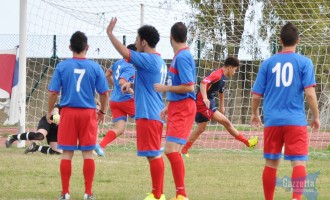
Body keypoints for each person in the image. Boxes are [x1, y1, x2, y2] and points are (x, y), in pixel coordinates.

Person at [251, 22, 320, 200]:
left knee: (271, 163)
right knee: (298, 162)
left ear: (280, 40)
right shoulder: (305, 62)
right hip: (295, 121)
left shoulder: (268, 63)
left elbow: (256, 95)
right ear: (299, 40)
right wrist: (316, 116)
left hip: (273, 121)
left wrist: (255, 113)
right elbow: (310, 94)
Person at [107, 17, 166, 200]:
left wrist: (110, 33)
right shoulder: (158, 60)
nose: (134, 43)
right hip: (152, 112)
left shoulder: (148, 59)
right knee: (153, 154)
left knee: (154, 155)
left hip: (149, 114)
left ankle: (157, 195)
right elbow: (147, 84)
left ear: (144, 42)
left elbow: (126, 53)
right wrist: (130, 85)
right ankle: (158, 193)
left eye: (136, 39)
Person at [47, 31, 109, 200]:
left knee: (67, 153)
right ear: (87, 47)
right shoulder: (95, 67)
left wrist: (50, 111)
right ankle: (88, 194)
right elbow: (104, 93)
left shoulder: (62, 66)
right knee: (88, 154)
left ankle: (65, 193)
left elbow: (53, 93)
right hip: (88, 113)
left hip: (68, 113)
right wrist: (102, 111)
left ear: (69, 47)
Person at [181, 56, 259, 157]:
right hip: (203, 103)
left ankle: (184, 150)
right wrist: (205, 98)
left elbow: (221, 91)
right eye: (235, 70)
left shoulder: (223, 77)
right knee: (226, 122)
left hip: (209, 102)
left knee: (201, 128)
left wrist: (222, 106)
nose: (234, 72)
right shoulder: (217, 75)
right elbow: (203, 83)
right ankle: (248, 143)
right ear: (230, 67)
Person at [153, 22, 196, 200]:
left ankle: (182, 194)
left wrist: (165, 88)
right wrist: (169, 106)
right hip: (178, 107)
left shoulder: (183, 56)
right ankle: (180, 194)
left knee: (170, 150)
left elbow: (189, 87)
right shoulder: (180, 55)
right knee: (173, 150)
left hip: (184, 107)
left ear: (171, 38)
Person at [94, 44, 137, 157]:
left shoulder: (118, 63)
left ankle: (100, 146)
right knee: (147, 119)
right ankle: (154, 147)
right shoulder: (130, 66)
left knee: (120, 129)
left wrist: (117, 86)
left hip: (114, 101)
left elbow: (107, 75)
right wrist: (134, 93)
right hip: (126, 100)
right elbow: (123, 82)